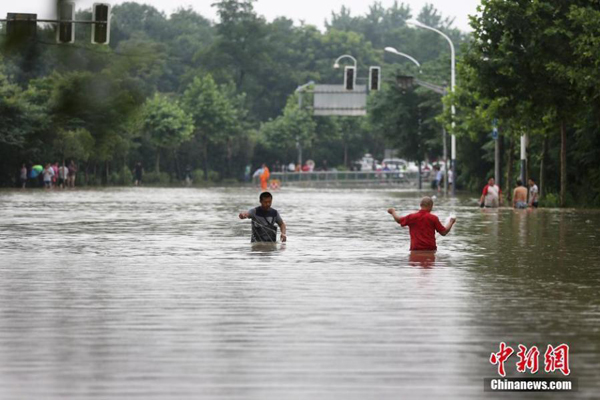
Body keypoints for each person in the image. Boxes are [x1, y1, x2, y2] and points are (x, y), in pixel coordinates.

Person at [388, 197, 456, 251]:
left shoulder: (412, 217)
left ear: (420, 205)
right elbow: (444, 232)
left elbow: (398, 220)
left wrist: (393, 212)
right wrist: (451, 222)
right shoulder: (433, 218)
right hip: (430, 250)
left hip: (415, 249)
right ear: (431, 206)